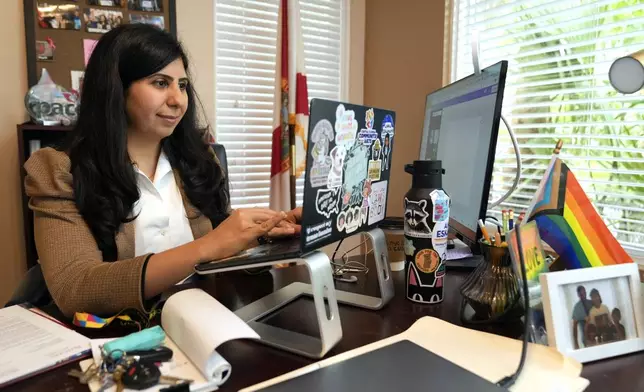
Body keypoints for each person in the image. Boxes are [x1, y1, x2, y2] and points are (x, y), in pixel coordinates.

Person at [24, 24, 301, 318]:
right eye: (160, 83)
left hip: (204, 319)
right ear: (116, 88)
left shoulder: (200, 159)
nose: (178, 100)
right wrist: (208, 246)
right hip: (122, 338)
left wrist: (265, 236)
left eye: (182, 85)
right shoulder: (57, 169)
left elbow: (224, 252)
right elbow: (76, 290)